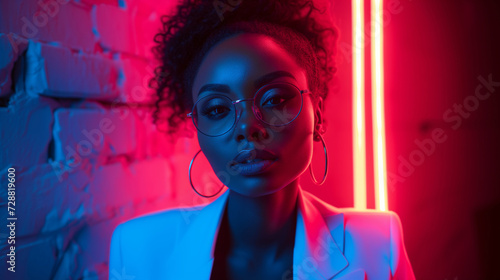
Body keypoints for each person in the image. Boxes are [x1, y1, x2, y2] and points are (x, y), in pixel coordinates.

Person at [109, 0, 416, 279]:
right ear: (197, 127)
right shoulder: (137, 249)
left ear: (317, 113)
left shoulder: (378, 242)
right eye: (217, 109)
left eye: (274, 100)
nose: (247, 127)